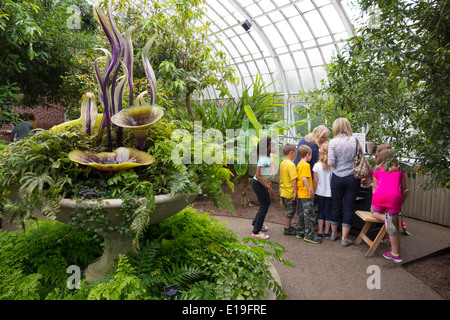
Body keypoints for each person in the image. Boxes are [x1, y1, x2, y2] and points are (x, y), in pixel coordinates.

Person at [370, 144, 406, 263]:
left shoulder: (377, 169)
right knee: (393, 227)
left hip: (379, 196)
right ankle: (396, 254)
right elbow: (404, 188)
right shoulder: (400, 169)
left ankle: (384, 218)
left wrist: (375, 197)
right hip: (394, 199)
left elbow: (374, 187)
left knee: (373, 212)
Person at [327, 117, 360, 247]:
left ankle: (334, 234)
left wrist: (338, 167)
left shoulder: (333, 142)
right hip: (352, 178)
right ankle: (345, 239)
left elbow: (330, 162)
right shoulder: (355, 141)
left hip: (337, 177)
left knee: (335, 205)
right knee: (348, 207)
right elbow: (359, 158)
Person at [251, 136, 275, 240]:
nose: (275, 147)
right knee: (264, 206)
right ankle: (256, 231)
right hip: (258, 183)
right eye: (272, 146)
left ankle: (256, 223)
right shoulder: (264, 159)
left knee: (266, 204)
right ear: (266, 148)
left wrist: (268, 184)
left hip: (262, 183)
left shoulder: (269, 156)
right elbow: (259, 176)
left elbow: (266, 174)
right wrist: (268, 188)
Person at [296, 145, 320, 244]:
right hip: (306, 194)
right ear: (308, 154)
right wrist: (310, 190)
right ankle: (309, 235)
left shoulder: (298, 164)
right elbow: (304, 178)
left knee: (301, 213)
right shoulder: (306, 165)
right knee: (309, 215)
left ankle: (300, 232)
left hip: (300, 193)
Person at [313, 142, 332, 241]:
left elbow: (315, 181)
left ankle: (320, 232)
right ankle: (327, 232)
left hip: (320, 192)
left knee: (320, 211)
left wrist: (313, 191)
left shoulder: (317, 166)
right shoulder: (333, 165)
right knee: (328, 212)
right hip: (330, 193)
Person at [279, 143, 298, 236]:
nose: (296, 155)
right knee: (290, 211)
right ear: (291, 152)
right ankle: (287, 228)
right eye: (295, 153)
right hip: (289, 191)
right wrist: (295, 192)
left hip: (283, 191)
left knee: (287, 210)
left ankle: (288, 226)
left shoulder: (283, 163)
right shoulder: (291, 165)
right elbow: (293, 180)